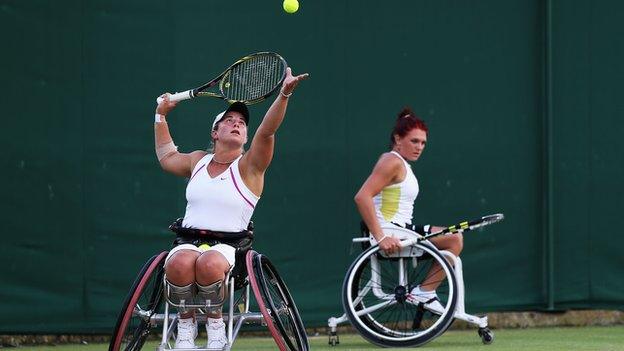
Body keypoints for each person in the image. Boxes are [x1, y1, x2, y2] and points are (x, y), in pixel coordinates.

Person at [154, 67, 308, 349]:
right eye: (229, 120)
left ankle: (215, 328)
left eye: (241, 123)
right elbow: (167, 157)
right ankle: (185, 328)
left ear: (246, 136)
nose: (237, 124)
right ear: (215, 132)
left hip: (229, 248)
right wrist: (160, 115)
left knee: (209, 263)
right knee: (176, 263)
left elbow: (268, 131)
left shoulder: (250, 166)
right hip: (188, 240)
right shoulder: (197, 161)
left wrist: (284, 94)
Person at [353, 107, 463, 309]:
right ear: (397, 139)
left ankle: (425, 292)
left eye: (423, 143)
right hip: (390, 232)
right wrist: (381, 237)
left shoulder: (399, 163)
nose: (419, 147)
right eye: (414, 141)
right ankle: (425, 292)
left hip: (401, 229)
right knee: (454, 238)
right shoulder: (392, 162)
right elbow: (362, 197)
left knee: (455, 236)